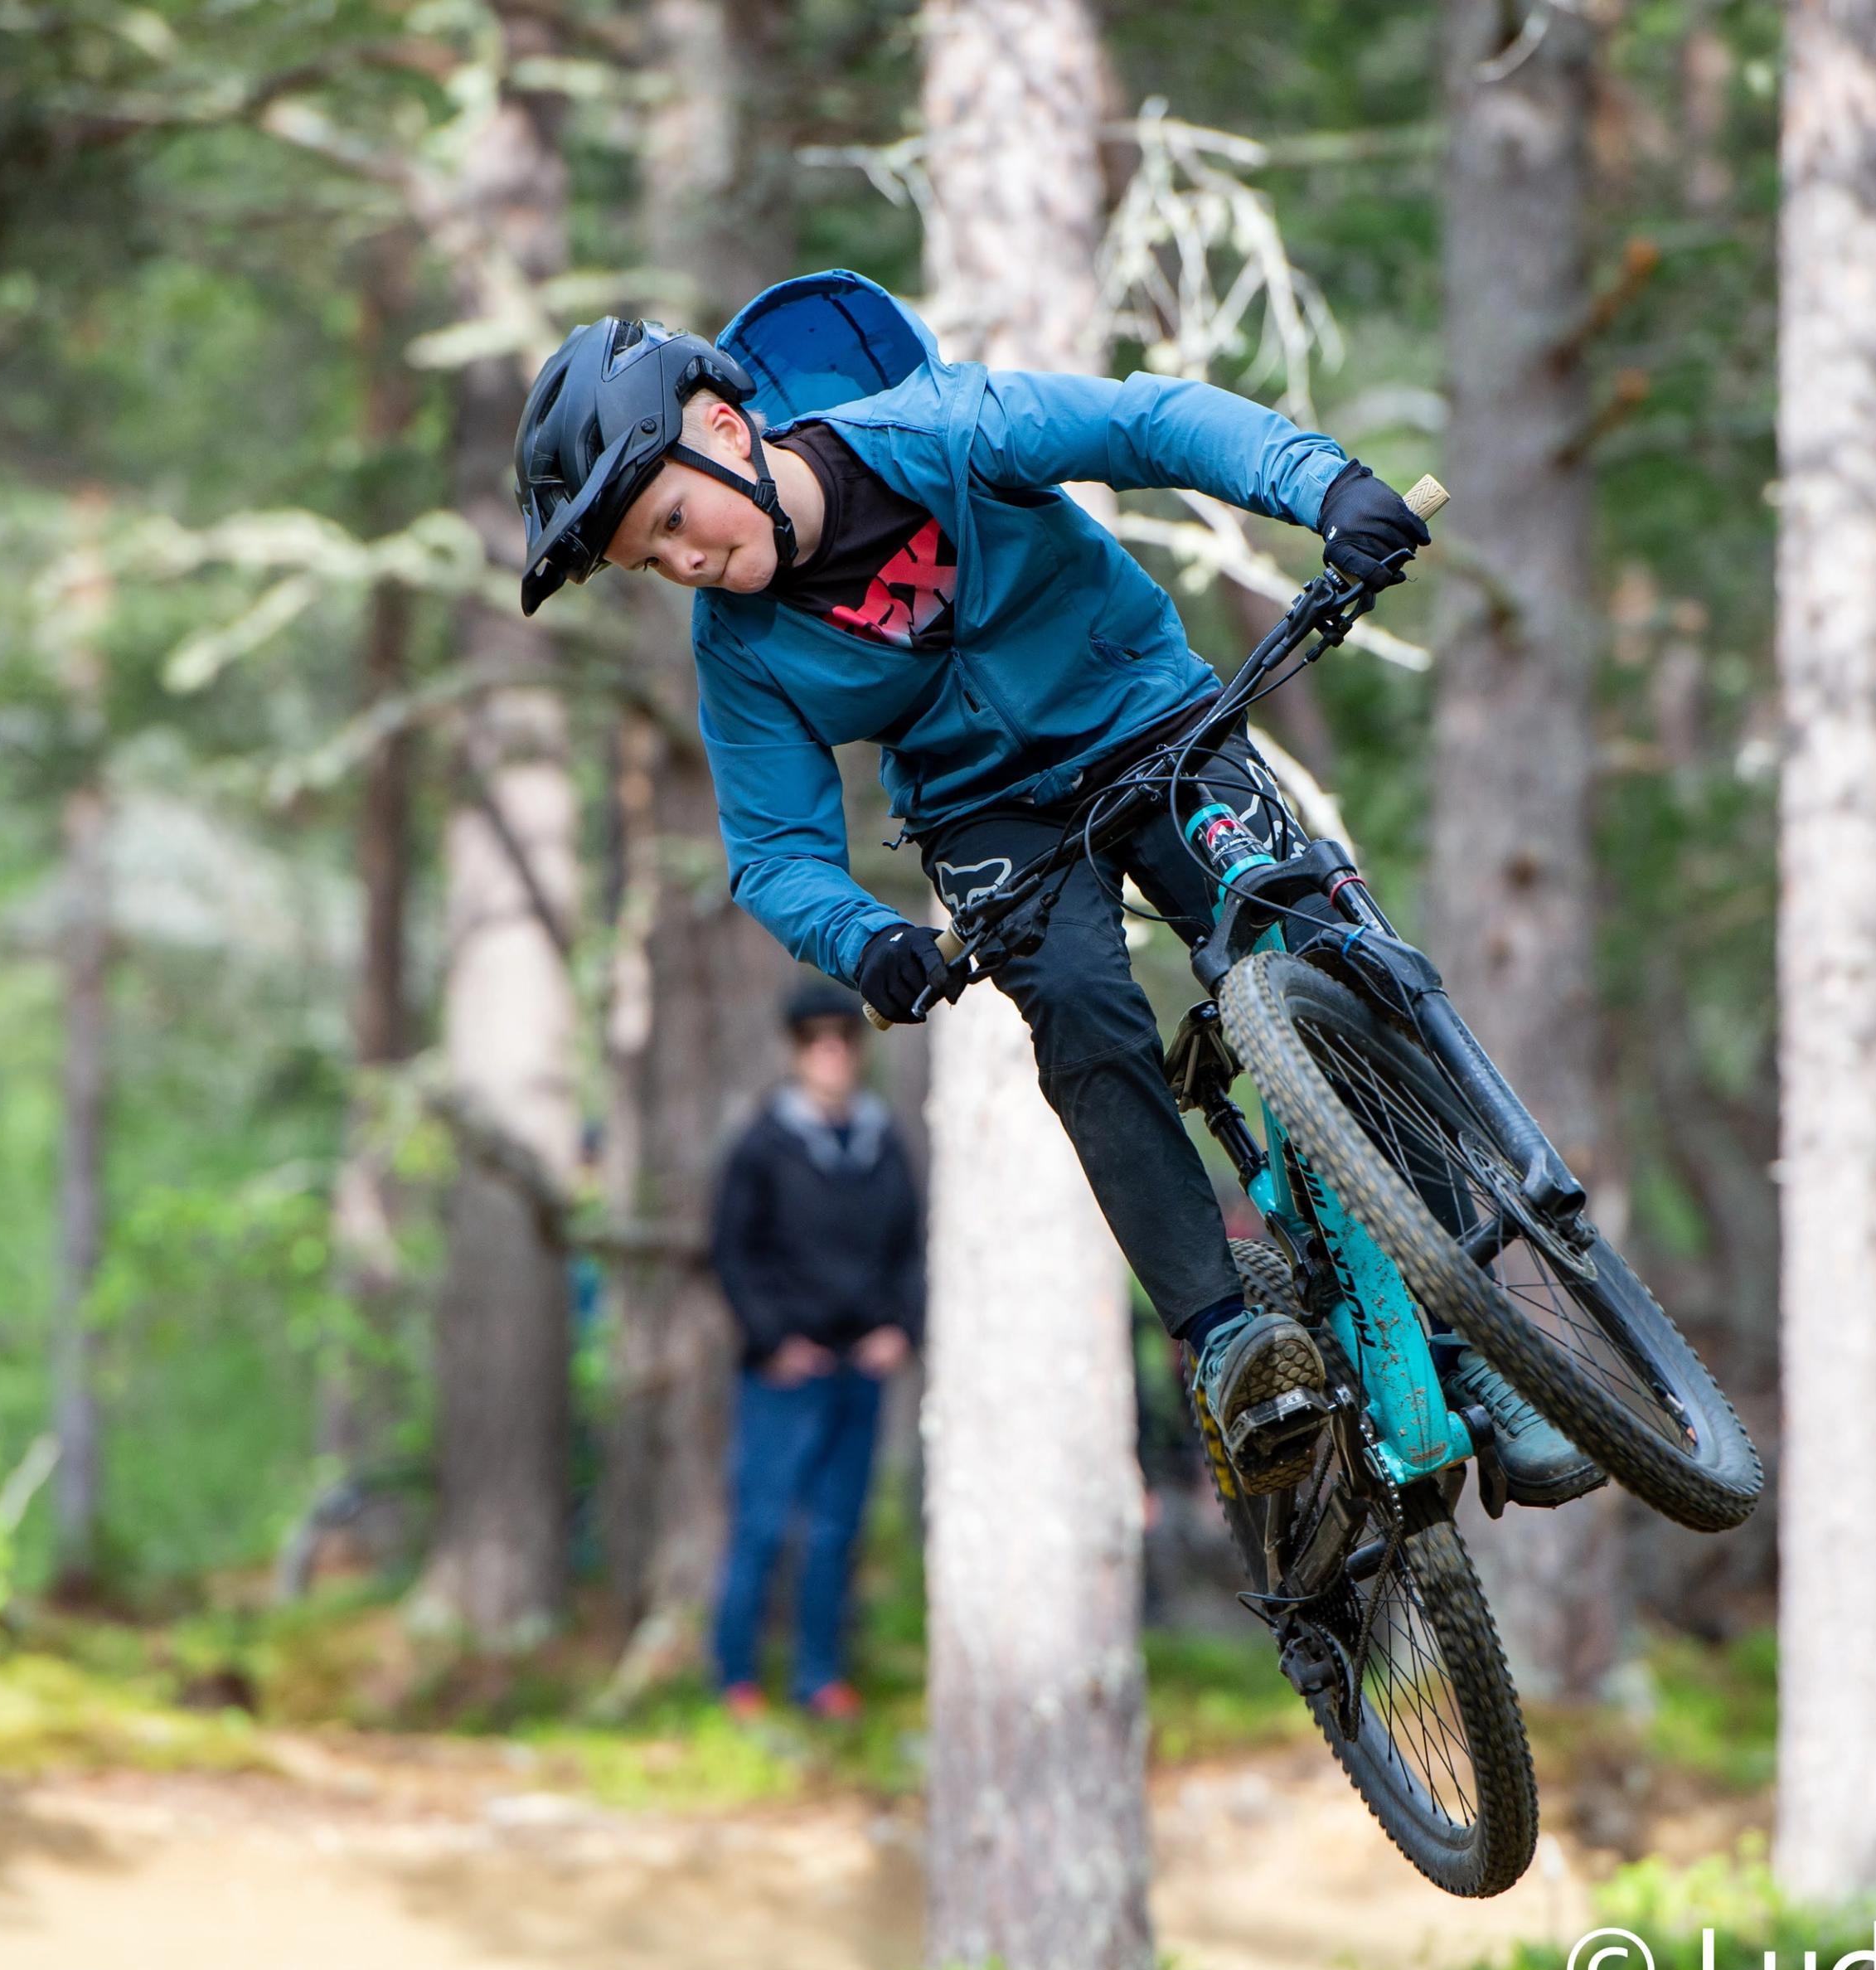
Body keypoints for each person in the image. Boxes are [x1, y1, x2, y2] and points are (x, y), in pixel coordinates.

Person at [515, 273, 1592, 1509]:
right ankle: (1228, 1337)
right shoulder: (741, 655)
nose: (687, 561)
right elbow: (775, 855)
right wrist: (866, 942)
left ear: (720, 427)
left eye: (670, 520)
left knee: (1314, 935)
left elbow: (1149, 425)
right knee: (1081, 1005)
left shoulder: (938, 431)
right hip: (990, 816)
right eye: (653, 558)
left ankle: (1480, 1346)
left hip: (1147, 714)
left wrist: (1325, 488)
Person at [705, 978, 926, 1717]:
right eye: (815, 1041)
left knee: (837, 1532)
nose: (831, 1053)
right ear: (796, 1050)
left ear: (859, 1048)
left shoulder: (881, 1141)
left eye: (843, 1039)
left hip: (860, 1370)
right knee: (763, 1526)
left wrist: (901, 1329)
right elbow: (734, 1255)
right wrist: (774, 1340)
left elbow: (910, 1251)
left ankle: (818, 1679)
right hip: (783, 1374)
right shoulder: (763, 1145)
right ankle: (735, 1678)